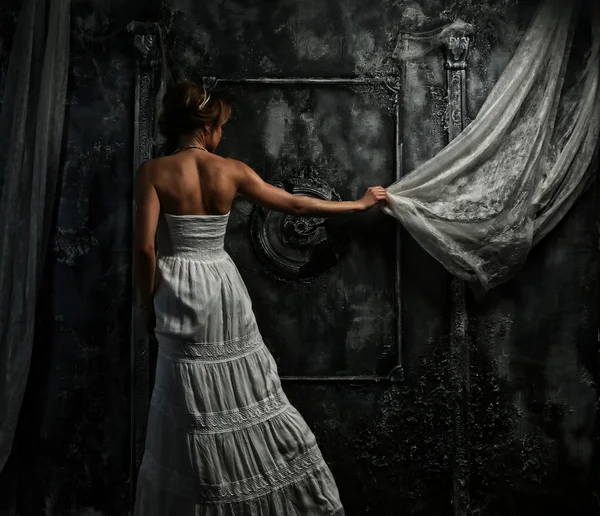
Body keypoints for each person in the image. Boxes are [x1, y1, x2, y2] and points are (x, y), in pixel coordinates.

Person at [133, 80, 389, 515]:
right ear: (207, 126)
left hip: (176, 287)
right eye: (221, 127)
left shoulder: (153, 172)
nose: (223, 135)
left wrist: (147, 303)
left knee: (188, 401)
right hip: (221, 285)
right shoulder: (231, 170)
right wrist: (359, 205)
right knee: (247, 392)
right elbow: (296, 206)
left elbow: (144, 249)